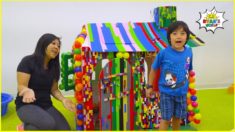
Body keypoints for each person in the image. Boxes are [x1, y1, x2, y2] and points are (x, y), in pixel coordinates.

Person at [15, 33, 76, 130]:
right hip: (26, 106)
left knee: (66, 129)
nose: (56, 47)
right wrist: (27, 91)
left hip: (45, 105)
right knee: (48, 124)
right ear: (43, 44)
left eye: (58, 46)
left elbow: (54, 90)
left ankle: (30, 125)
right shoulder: (28, 61)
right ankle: (23, 127)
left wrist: (64, 99)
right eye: (53, 43)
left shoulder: (54, 67)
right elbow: (21, 86)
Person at [146, 21, 193, 130]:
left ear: (187, 37)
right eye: (175, 33)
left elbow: (189, 69)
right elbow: (153, 70)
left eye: (182, 33)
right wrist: (149, 86)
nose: (179, 36)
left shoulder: (189, 52)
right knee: (166, 119)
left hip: (181, 93)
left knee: (177, 118)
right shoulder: (163, 53)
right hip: (167, 93)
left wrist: (188, 86)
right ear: (169, 37)